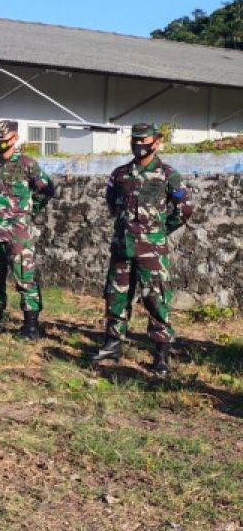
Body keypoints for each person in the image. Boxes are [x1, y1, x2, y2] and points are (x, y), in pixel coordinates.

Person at [90, 122, 194, 377]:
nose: (139, 145)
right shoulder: (120, 174)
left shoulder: (168, 175)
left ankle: (160, 353)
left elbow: (184, 209)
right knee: (117, 294)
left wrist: (158, 232)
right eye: (135, 140)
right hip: (122, 246)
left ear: (156, 142)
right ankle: (113, 344)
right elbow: (113, 204)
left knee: (156, 298)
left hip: (151, 249)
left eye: (144, 141)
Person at [0, 120, 56, 340]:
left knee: (24, 279)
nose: (0, 143)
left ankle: (30, 326)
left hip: (18, 233)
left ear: (15, 138)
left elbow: (47, 190)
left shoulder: (27, 164)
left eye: (5, 139)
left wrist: (28, 211)